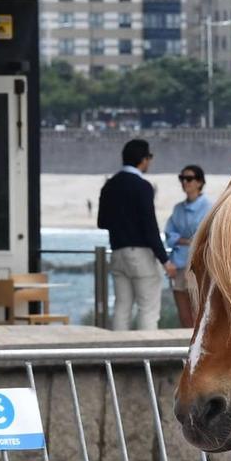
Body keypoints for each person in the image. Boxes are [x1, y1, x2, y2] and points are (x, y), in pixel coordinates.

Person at [97, 138, 167, 331]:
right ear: (143, 159)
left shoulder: (109, 185)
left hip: (118, 252)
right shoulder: (143, 186)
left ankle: (119, 356)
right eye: (149, 157)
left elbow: (101, 222)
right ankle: (148, 357)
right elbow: (150, 227)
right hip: (141, 254)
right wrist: (164, 259)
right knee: (148, 309)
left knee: (122, 307)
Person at [164, 164, 215, 329]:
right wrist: (188, 240)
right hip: (179, 264)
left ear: (200, 182)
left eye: (189, 178)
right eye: (182, 178)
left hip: (199, 266)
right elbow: (169, 235)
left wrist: (182, 239)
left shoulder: (209, 207)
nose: (185, 182)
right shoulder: (178, 208)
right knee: (184, 316)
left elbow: (208, 237)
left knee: (199, 315)